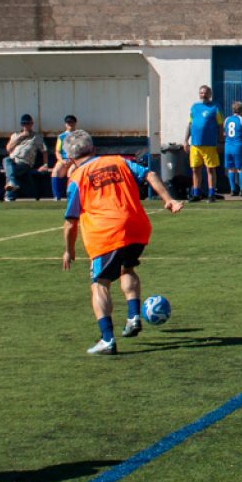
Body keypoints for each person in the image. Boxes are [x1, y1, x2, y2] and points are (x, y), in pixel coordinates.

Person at [62, 129, 183, 354]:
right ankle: (134, 316)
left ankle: (107, 339)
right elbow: (151, 175)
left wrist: (68, 251)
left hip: (106, 234)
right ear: (94, 149)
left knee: (99, 284)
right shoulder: (119, 161)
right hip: (137, 228)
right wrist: (169, 200)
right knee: (127, 268)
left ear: (70, 159)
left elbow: (71, 221)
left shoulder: (76, 179)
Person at [183, 84, 223, 202]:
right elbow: (190, 124)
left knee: (210, 169)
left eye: (205, 93)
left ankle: (211, 193)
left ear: (209, 94)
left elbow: (221, 126)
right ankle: (196, 193)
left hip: (210, 144)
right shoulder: (194, 107)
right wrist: (186, 140)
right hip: (195, 144)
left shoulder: (215, 107)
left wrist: (221, 141)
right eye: (201, 93)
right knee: (195, 169)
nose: (203, 95)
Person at [3, 113, 48, 201]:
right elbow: (8, 149)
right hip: (13, 161)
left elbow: (44, 151)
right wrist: (20, 137)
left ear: (32, 124)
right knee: (6, 160)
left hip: (25, 163)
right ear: (21, 125)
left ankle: (10, 193)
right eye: (24, 124)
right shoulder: (15, 135)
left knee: (10, 172)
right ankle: (11, 186)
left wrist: (45, 164)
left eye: (28, 123)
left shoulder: (36, 136)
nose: (26, 126)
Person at [223, 101, 242, 196]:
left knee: (231, 169)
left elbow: (224, 133)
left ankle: (232, 189)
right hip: (238, 146)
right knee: (241, 168)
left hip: (228, 146)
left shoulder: (227, 119)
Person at [50, 114, 78, 200]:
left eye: (72, 122)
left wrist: (73, 160)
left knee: (71, 172)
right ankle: (56, 196)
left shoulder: (80, 135)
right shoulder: (61, 137)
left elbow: (82, 150)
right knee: (56, 171)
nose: (70, 124)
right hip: (64, 159)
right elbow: (58, 151)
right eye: (68, 122)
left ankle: (71, 195)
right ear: (65, 124)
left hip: (76, 159)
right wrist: (62, 161)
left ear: (75, 123)